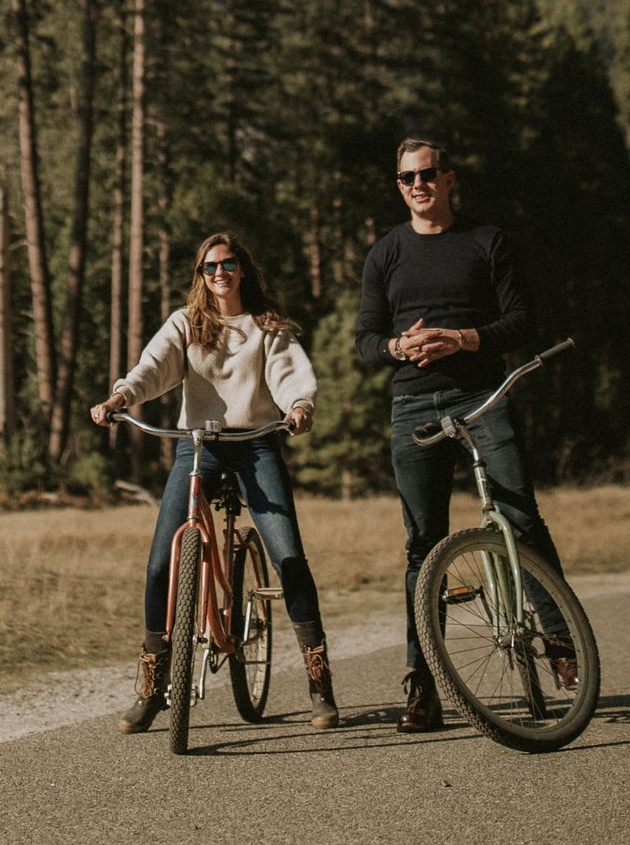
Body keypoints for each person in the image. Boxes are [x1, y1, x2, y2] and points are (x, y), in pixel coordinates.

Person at [357, 137, 574, 732]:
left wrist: (464, 338)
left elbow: (522, 320)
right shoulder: (386, 253)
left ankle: (559, 639)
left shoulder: (487, 241)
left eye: (428, 174)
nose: (418, 185)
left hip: (482, 396)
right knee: (421, 545)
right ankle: (422, 685)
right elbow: (367, 340)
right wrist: (399, 346)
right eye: (406, 178)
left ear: (449, 179)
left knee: (519, 517)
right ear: (397, 185)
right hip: (412, 404)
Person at [92, 230, 340, 733]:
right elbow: (152, 368)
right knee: (162, 558)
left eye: (227, 263)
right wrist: (121, 398)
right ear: (201, 276)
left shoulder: (268, 326)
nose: (219, 273)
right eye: (209, 267)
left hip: (255, 444)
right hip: (198, 445)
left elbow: (292, 375)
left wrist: (299, 406)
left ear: (242, 268)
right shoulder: (186, 324)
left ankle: (320, 683)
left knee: (288, 555)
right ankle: (152, 685)